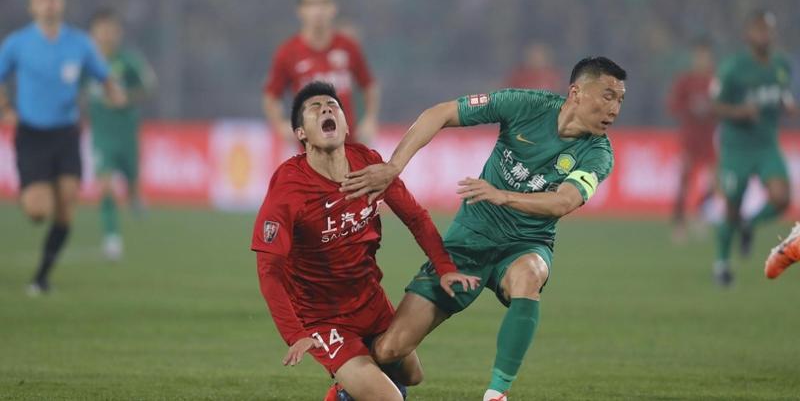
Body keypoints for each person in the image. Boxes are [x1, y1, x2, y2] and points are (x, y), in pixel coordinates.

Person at [341, 57, 626, 401]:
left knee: (529, 276)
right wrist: (393, 167)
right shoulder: (525, 105)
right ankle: (365, 382)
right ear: (576, 92)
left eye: (620, 100)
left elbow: (563, 202)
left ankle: (497, 393)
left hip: (526, 243)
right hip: (469, 241)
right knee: (390, 349)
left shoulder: (599, 154)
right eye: (608, 96)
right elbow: (441, 113)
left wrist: (503, 196)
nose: (615, 108)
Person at [251, 82, 479, 401]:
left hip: (369, 300)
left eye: (333, 105)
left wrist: (444, 267)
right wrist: (295, 333)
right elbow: (269, 270)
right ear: (301, 133)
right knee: (391, 398)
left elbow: (415, 216)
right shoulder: (289, 187)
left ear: (346, 126)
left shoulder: (367, 163)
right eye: (315, 107)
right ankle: (350, 385)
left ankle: (345, 391)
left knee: (412, 375)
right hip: (321, 316)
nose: (326, 108)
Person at [0, 0, 126, 294]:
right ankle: (32, 194)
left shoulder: (80, 43)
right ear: (32, 6)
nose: (50, 3)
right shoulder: (17, 43)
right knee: (38, 211)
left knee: (68, 205)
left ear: (63, 3)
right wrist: (5, 108)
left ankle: (41, 278)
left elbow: (104, 76)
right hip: (32, 134)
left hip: (66, 133)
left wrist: (114, 92)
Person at [712, 10, 795, 286]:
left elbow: (782, 95)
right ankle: (722, 265)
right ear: (748, 34)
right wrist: (739, 112)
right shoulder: (733, 68)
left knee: (782, 198)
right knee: (732, 207)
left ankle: (749, 225)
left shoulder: (781, 65)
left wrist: (787, 106)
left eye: (768, 29)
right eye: (759, 29)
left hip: (766, 145)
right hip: (737, 148)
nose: (764, 35)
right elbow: (715, 105)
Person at [262, 0, 380, 146]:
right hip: (310, 147)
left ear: (333, 8)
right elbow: (271, 96)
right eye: (311, 4)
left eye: (324, 3)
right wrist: (281, 125)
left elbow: (369, 85)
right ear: (300, 11)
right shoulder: (288, 52)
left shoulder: (348, 47)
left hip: (348, 143)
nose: (318, 11)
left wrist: (370, 119)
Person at [86, 7, 157, 260]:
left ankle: (136, 199)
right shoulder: (86, 62)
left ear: (118, 32)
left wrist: (126, 97)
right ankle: (112, 238)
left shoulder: (128, 60)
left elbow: (148, 86)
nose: (106, 35)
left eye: (111, 29)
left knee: (133, 188)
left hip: (127, 134)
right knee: (105, 186)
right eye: (101, 30)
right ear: (93, 33)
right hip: (101, 135)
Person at [666, 39, 717, 242]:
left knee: (715, 181)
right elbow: (673, 106)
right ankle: (679, 224)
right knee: (685, 180)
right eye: (699, 56)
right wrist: (690, 108)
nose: (702, 60)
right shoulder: (686, 81)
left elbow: (724, 106)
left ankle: (700, 213)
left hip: (710, 138)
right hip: (690, 138)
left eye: (705, 56)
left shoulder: (716, 81)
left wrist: (710, 109)